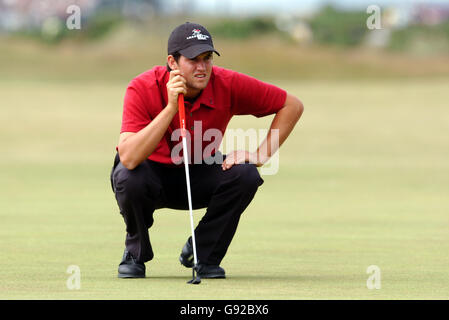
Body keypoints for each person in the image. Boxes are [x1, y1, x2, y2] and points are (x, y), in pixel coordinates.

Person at [110, 22, 304, 279]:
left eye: (207, 58)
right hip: (150, 175)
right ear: (173, 62)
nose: (202, 67)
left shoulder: (226, 82)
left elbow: (292, 105)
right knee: (127, 176)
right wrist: (169, 108)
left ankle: (204, 254)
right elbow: (129, 157)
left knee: (245, 174)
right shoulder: (142, 86)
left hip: (200, 171)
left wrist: (262, 154)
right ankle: (135, 253)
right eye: (193, 59)